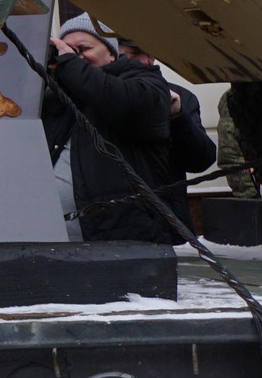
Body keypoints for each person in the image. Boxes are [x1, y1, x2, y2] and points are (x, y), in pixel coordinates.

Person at [42, 18, 217, 243]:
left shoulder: (161, 93)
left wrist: (178, 118)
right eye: (135, 53)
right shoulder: (61, 98)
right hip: (64, 237)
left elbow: (199, 159)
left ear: (113, 54)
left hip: (134, 233)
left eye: (83, 49)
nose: (147, 60)